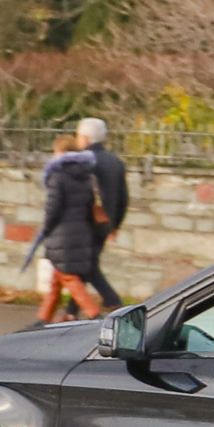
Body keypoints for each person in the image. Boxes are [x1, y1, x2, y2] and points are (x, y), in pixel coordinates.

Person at [34, 135, 104, 324]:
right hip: (81, 231)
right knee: (57, 277)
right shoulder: (86, 176)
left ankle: (95, 315)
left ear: (61, 152)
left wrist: (46, 227)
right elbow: (90, 204)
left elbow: (52, 207)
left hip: (61, 233)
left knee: (68, 277)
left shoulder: (57, 175)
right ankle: (43, 318)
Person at [74, 116, 130, 311]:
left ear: (85, 138)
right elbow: (124, 197)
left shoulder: (81, 160)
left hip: (85, 222)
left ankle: (112, 300)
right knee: (87, 263)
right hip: (105, 222)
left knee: (85, 264)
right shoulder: (115, 161)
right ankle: (72, 311)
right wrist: (115, 224)